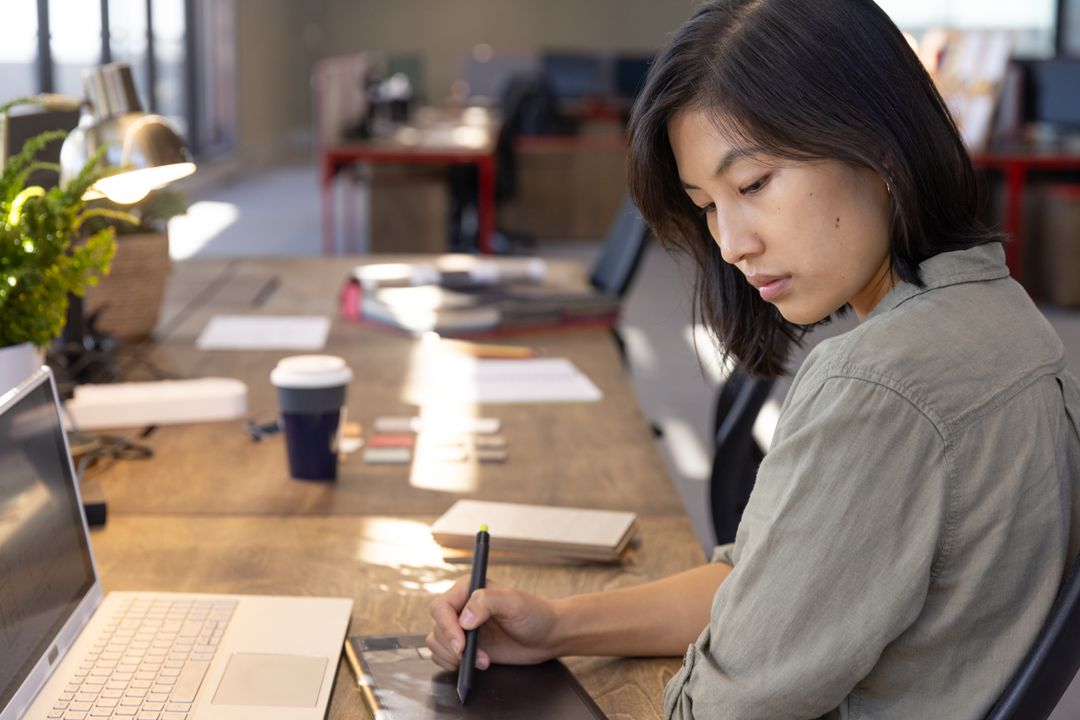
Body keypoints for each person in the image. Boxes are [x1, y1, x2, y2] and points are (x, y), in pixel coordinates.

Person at [426, 0, 1080, 717]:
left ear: (880, 147)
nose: (732, 242)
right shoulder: (1010, 323)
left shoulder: (879, 385)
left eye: (753, 185)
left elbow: (720, 706)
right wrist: (558, 626)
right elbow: (768, 584)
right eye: (706, 205)